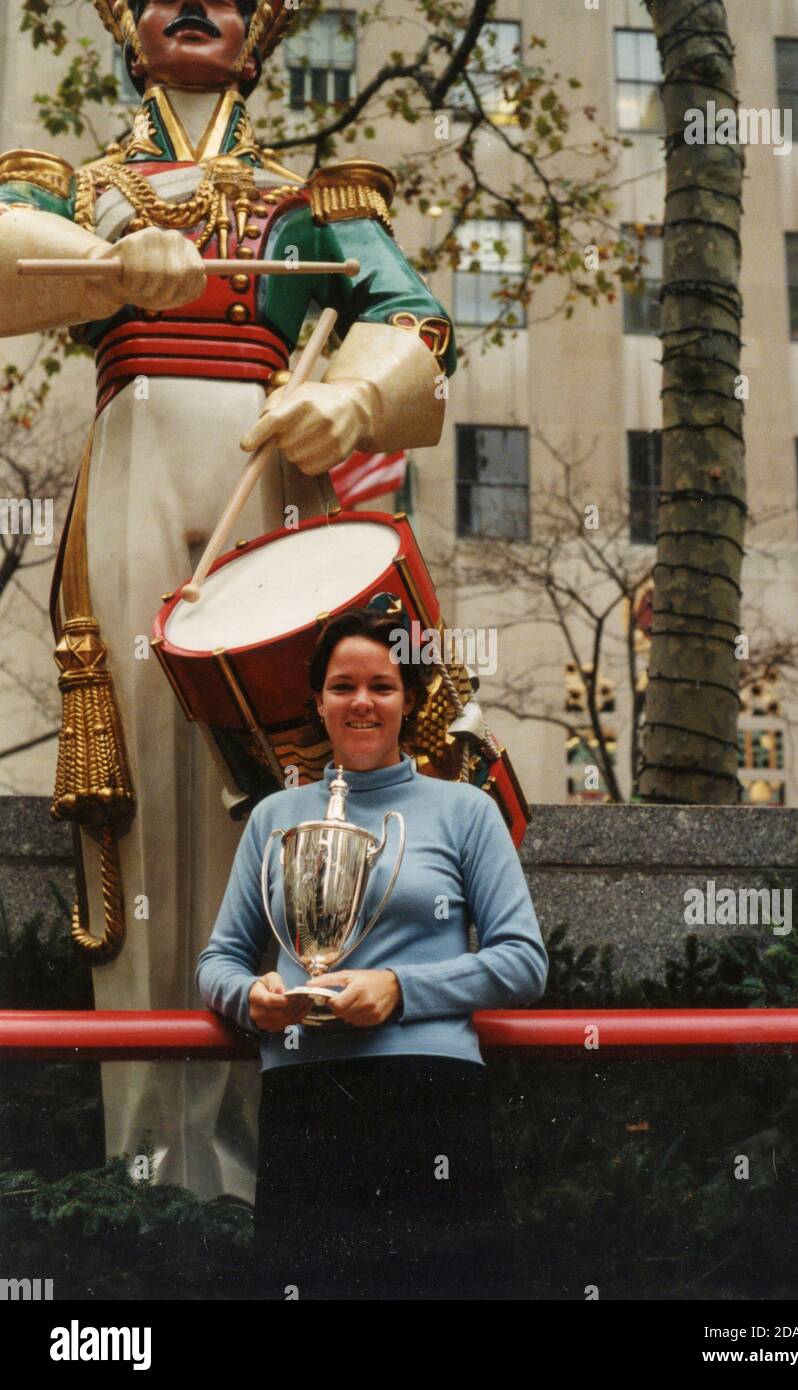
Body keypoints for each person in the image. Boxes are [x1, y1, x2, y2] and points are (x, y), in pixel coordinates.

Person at [0, 0, 455, 1201]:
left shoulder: (319, 195)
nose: (196, 3)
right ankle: (149, 1175)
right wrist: (105, 266)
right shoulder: (72, 177)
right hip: (138, 464)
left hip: (275, 485)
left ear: (259, 31)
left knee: (283, 797)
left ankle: (261, 1175)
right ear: (129, 25)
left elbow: (414, 324)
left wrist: (351, 399)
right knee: (148, 797)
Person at [196, 606, 549, 1299]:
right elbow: (219, 960)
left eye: (381, 686)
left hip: (429, 1096)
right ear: (318, 702)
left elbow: (523, 961)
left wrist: (401, 988)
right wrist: (253, 998)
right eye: (342, 686)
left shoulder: (464, 810)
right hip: (306, 1098)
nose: (361, 702)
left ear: (409, 700)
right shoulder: (274, 816)